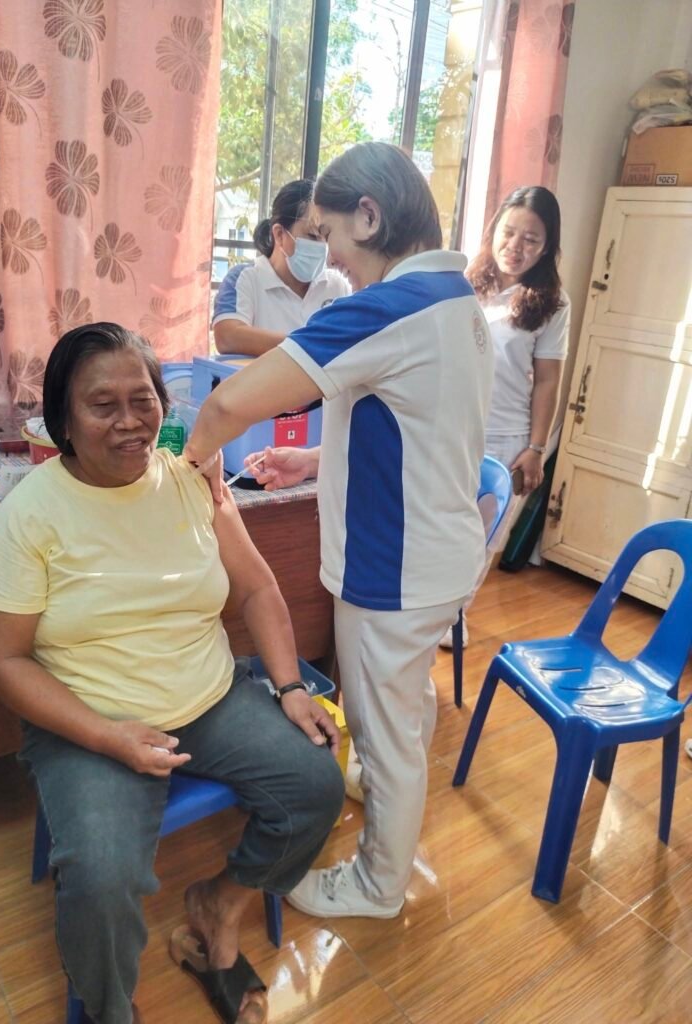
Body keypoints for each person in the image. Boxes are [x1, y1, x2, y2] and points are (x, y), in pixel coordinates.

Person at [0, 323, 344, 1024]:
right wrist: (107, 737)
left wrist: (291, 687)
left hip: (209, 698)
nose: (129, 421)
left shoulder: (192, 481)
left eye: (142, 399)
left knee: (317, 785)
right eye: (102, 405)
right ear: (63, 422)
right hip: (88, 721)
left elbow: (258, 588)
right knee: (102, 878)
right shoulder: (28, 517)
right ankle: (110, 1009)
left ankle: (218, 906)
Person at [183, 142, 494, 920]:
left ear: (370, 216)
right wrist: (316, 461)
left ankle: (378, 885)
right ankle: (383, 777)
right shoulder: (455, 300)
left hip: (395, 569)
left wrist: (187, 470)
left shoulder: (385, 307)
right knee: (402, 707)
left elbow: (229, 404)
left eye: (329, 235)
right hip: (442, 554)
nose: (331, 259)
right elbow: (420, 428)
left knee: (386, 731)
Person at [440, 185, 570, 649]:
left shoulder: (551, 303)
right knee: (442, 526)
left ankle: (455, 615)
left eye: (530, 239)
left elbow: (548, 382)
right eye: (509, 233)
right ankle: (429, 609)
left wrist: (536, 448)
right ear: (493, 230)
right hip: (450, 426)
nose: (515, 246)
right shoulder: (465, 282)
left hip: (505, 439)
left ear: (547, 247)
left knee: (482, 535)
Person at [213, 178, 350, 357]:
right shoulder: (245, 279)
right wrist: (311, 346)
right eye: (312, 235)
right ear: (279, 234)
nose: (321, 245)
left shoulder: (337, 287)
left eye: (326, 236)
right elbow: (228, 337)